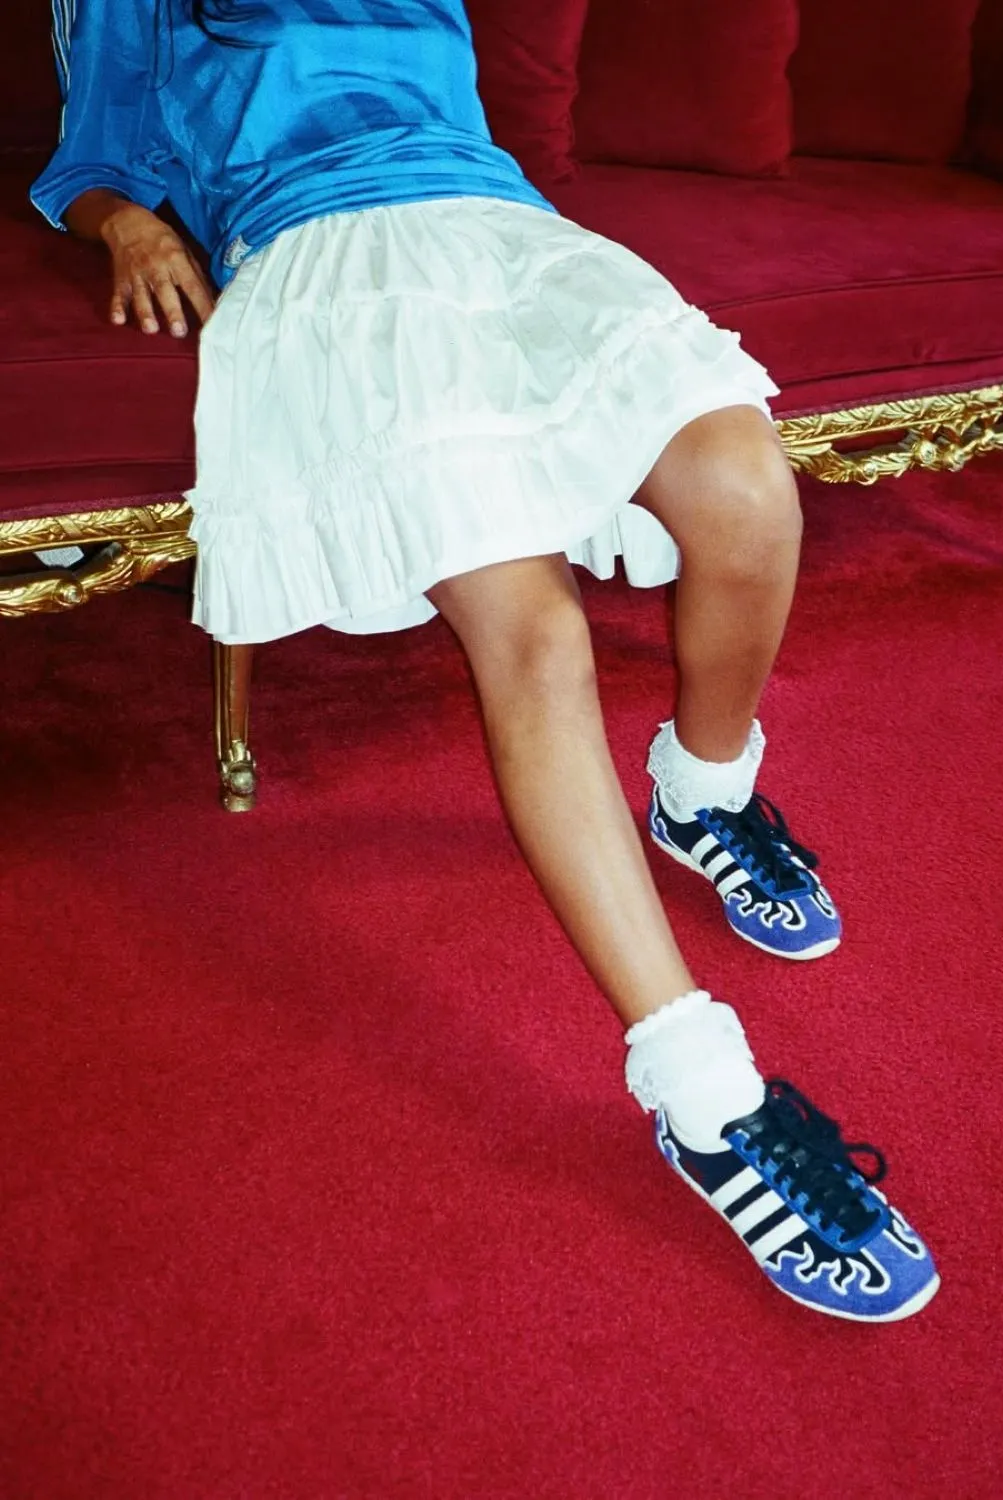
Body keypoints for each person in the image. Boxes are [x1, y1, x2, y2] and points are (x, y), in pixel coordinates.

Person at [33, 0, 939, 1321]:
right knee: (539, 633)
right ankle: (705, 1100)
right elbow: (88, 158)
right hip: (328, 270)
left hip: (505, 234)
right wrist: (124, 221)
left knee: (749, 493)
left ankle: (703, 792)